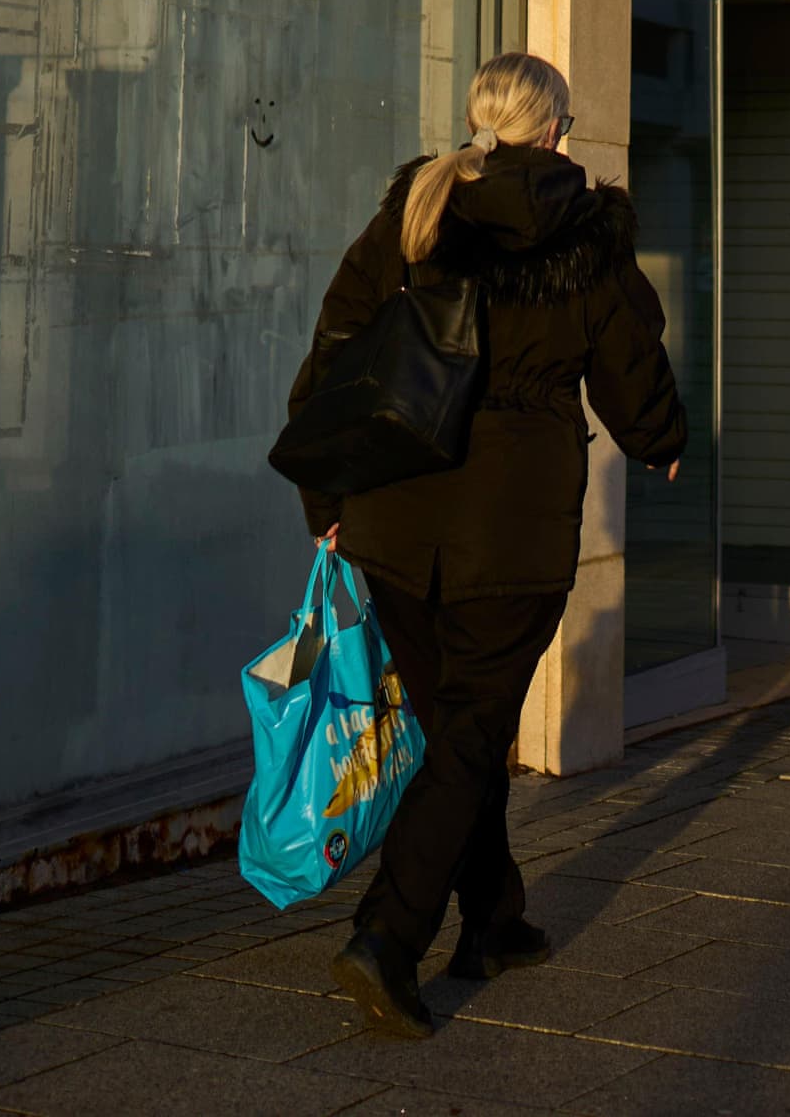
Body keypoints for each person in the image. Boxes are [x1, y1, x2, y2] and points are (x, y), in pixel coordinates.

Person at [287, 51, 685, 1042]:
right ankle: (386, 938)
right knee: (468, 735)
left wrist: (326, 493)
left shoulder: (419, 207)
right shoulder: (587, 231)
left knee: (458, 732)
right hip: (510, 528)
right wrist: (661, 441)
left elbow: (337, 347)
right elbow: (630, 358)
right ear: (553, 129)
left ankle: (494, 923)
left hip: (393, 519)